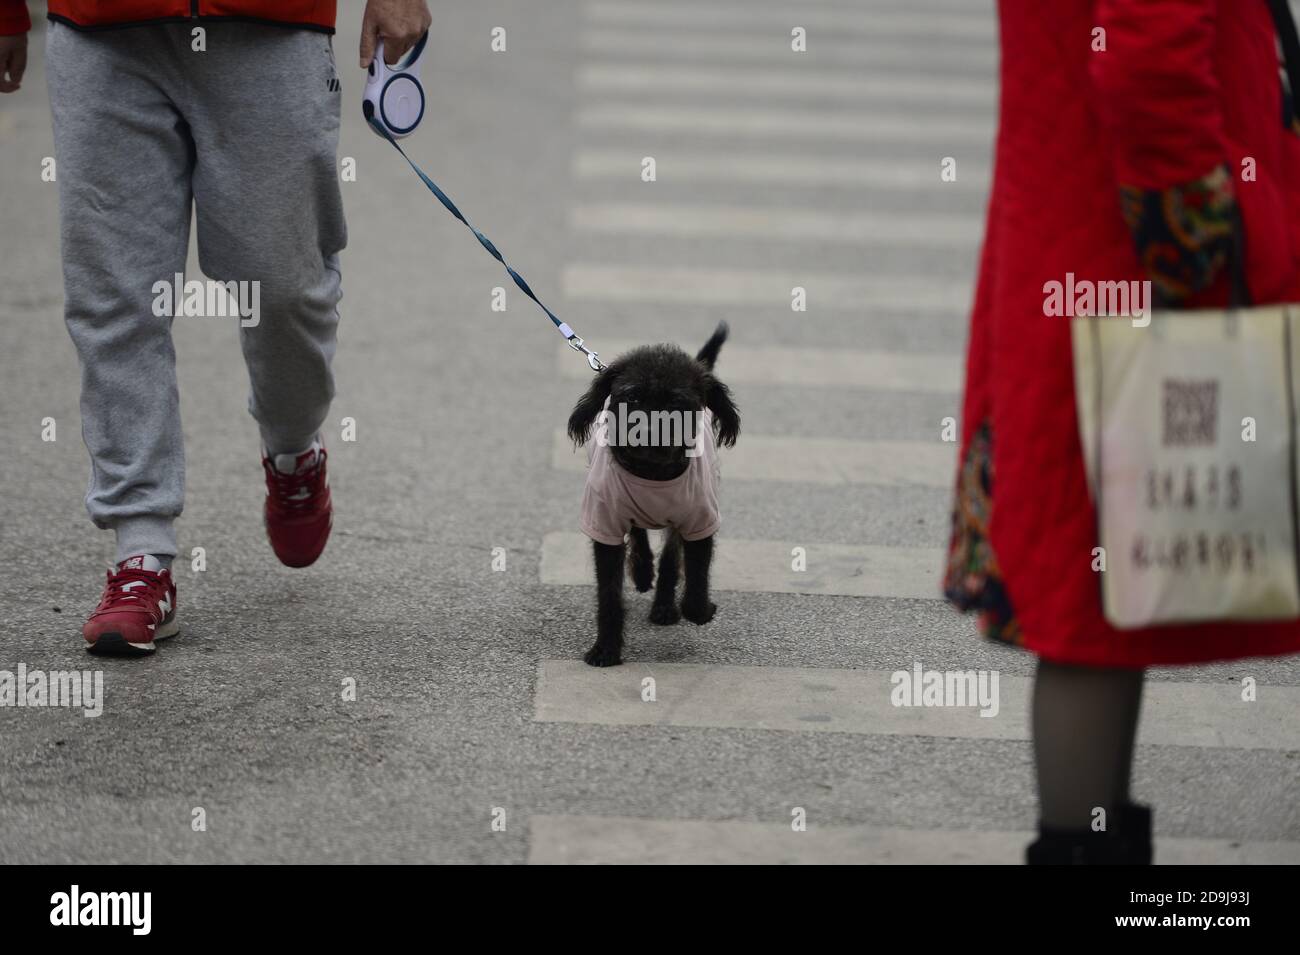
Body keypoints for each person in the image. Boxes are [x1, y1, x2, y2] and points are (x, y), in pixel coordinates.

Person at [943, 0, 1300, 864]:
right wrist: (1201, 247)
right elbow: (1147, 59)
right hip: (1135, 260)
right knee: (1094, 604)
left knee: (1098, 600)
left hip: (1074, 240)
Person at [0, 0, 431, 654]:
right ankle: (141, 553)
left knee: (286, 288)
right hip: (102, 29)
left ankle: (293, 449)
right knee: (115, 294)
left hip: (271, 24)